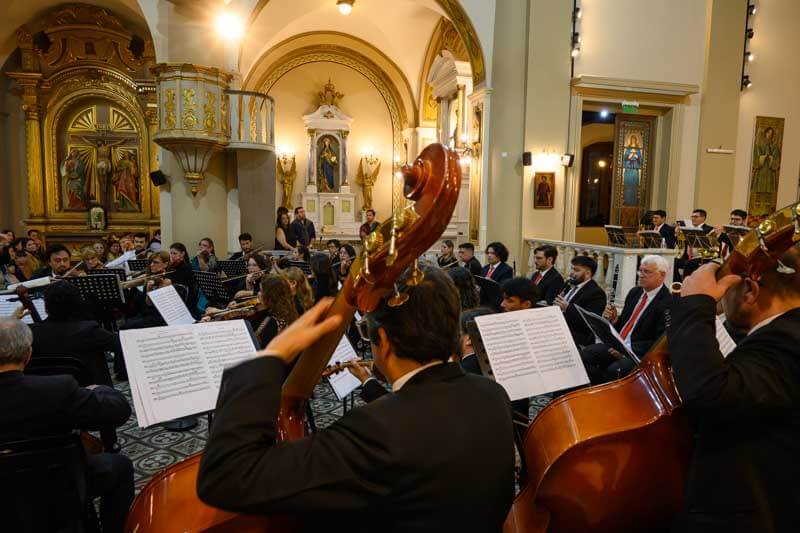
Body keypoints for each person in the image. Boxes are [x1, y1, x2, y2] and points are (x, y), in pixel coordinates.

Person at [197, 266, 515, 531]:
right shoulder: (493, 395)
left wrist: (271, 356)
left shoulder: (374, 430)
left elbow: (228, 476)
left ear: (384, 342)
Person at [668, 246, 800, 533]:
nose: (721, 301)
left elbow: (711, 394)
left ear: (750, 291)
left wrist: (696, 304)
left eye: (726, 290)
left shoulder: (787, 339)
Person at [0, 318, 134, 533]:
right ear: (28, 354)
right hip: (61, 484)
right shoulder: (57, 390)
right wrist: (97, 389)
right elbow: (118, 411)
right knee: (120, 466)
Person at [580, 255, 671, 384]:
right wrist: (615, 319)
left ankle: (605, 395)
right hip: (618, 343)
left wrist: (626, 350)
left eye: (647, 272)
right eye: (640, 270)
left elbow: (659, 341)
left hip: (636, 352)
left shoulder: (668, 302)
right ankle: (593, 391)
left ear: (662, 275)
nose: (641, 275)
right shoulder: (635, 292)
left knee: (614, 370)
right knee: (584, 355)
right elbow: (626, 323)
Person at [554, 256, 607, 347]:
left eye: (576, 270)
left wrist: (568, 307)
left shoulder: (596, 293)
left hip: (575, 335)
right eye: (572, 269)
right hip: (557, 327)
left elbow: (590, 321)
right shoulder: (568, 284)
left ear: (587, 273)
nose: (571, 273)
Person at [252, 274, 299, 348]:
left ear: (271, 296)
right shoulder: (288, 310)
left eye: (261, 291)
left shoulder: (270, 322)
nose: (258, 294)